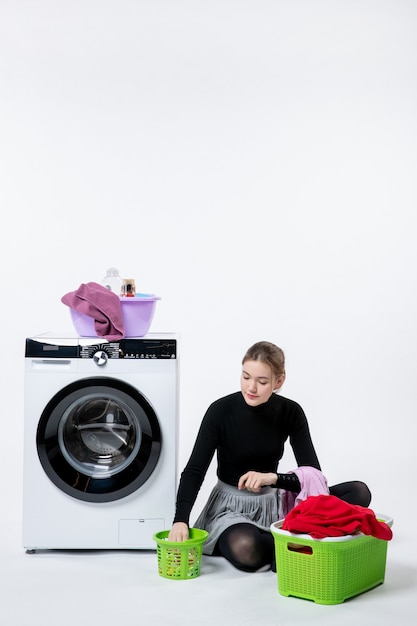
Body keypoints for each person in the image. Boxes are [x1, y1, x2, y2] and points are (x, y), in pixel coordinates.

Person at [168, 341, 371, 572]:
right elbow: (194, 471)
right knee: (246, 548)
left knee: (358, 491)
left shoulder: (290, 412)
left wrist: (272, 478)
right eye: (245, 377)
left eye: (262, 381)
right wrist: (180, 520)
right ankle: (300, 543)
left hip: (278, 502)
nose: (251, 387)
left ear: (279, 381)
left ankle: (289, 543)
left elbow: (313, 475)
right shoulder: (220, 411)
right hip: (231, 509)